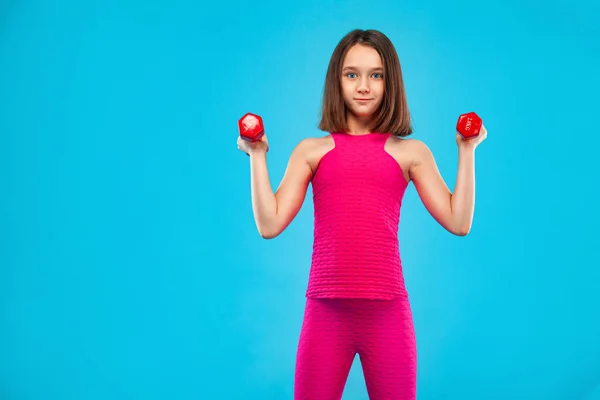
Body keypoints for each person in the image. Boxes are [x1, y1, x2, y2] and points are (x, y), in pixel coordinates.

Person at [237, 29, 487, 400]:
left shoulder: (410, 153)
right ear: (336, 80)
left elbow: (459, 221)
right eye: (352, 74)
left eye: (376, 75)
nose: (364, 86)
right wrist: (258, 157)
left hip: (387, 313)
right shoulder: (311, 150)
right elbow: (269, 224)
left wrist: (467, 150)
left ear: (391, 82)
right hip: (325, 312)